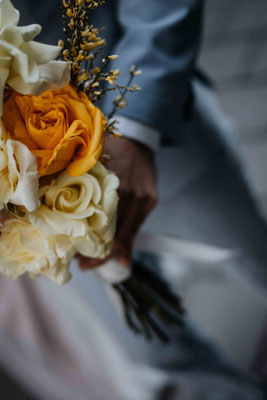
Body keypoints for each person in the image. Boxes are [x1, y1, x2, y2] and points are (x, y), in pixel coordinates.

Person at [0, 0, 266, 399]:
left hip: (157, 142)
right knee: (162, 359)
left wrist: (138, 131)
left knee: (256, 257)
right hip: (47, 237)